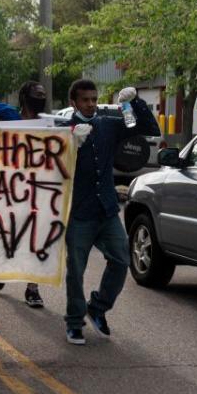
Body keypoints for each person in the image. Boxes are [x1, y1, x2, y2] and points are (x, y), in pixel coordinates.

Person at [63, 80, 159, 346]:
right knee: (76, 270)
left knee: (121, 260)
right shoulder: (61, 129)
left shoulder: (108, 123)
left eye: (94, 99)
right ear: (74, 102)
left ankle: (98, 307)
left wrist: (131, 103)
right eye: (85, 100)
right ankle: (73, 322)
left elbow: (147, 128)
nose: (91, 104)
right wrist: (68, 141)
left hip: (106, 209)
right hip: (78, 212)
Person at [0, 81, 51, 308]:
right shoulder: (8, 117)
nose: (41, 98)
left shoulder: (48, 125)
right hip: (7, 188)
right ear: (25, 97)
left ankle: (32, 288)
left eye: (43, 95)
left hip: (36, 189)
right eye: (37, 94)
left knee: (35, 237)